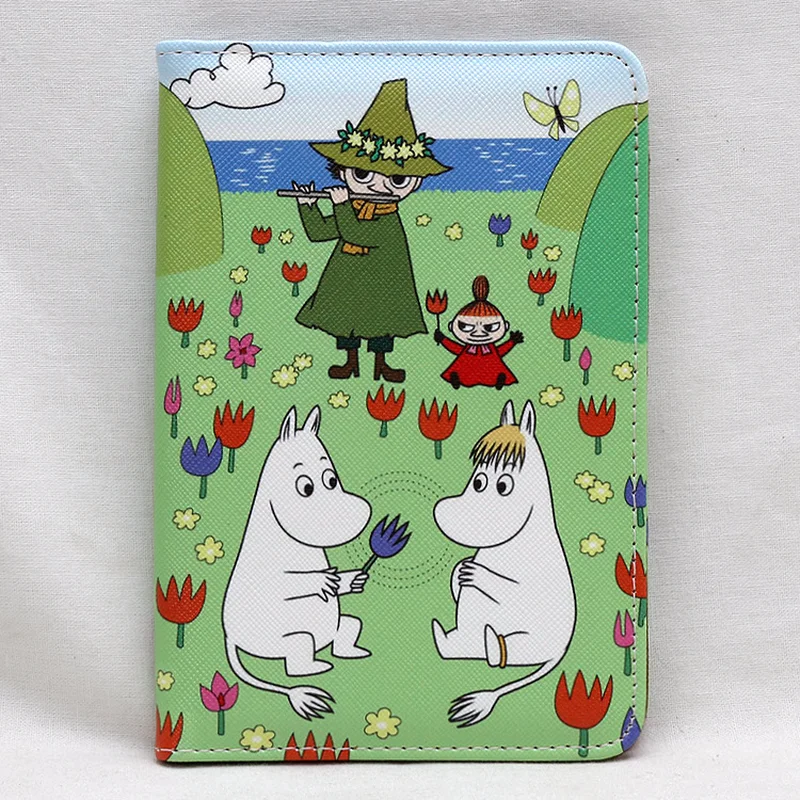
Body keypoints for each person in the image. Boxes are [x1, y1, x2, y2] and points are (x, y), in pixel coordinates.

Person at [293, 78, 450, 383]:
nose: (378, 186)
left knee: (382, 320)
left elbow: (357, 234)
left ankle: (381, 364)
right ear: (342, 171)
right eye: (363, 174)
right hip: (346, 278)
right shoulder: (353, 207)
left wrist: (341, 205)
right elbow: (320, 232)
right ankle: (350, 362)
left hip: (383, 281)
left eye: (396, 179)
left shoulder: (388, 217)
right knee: (346, 317)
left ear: (415, 182)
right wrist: (307, 204)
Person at [435, 276, 524, 390]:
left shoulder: (488, 349)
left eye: (490, 327)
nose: (478, 333)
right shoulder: (473, 349)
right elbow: (456, 348)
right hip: (467, 372)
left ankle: (498, 379)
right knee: (462, 371)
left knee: (494, 372)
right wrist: (443, 339)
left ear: (505, 326)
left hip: (490, 372)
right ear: (451, 326)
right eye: (466, 327)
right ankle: (457, 378)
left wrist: (512, 341)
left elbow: (501, 350)